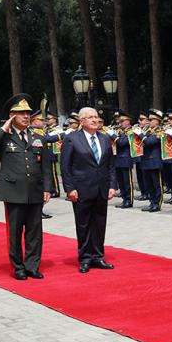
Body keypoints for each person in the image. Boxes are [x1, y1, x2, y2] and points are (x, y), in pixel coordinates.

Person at [0, 94, 51, 280]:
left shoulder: (38, 137)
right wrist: (4, 128)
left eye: (28, 113)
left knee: (35, 233)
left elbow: (45, 166)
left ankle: (32, 266)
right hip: (13, 192)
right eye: (21, 113)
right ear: (12, 116)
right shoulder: (4, 137)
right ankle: (18, 268)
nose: (26, 116)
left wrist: (47, 188)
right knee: (14, 233)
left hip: (35, 191)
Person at [60, 107, 117, 274]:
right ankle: (85, 258)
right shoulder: (72, 139)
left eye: (96, 117)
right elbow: (65, 166)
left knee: (99, 223)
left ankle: (98, 256)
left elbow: (111, 165)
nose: (94, 120)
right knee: (83, 224)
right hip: (81, 189)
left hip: (102, 188)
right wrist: (70, 188)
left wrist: (112, 185)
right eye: (90, 117)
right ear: (81, 121)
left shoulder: (105, 139)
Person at [110, 110, 135, 208]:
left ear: (128, 122)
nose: (120, 123)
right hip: (118, 159)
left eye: (122, 121)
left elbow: (122, 143)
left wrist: (113, 136)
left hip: (126, 159)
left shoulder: (130, 131)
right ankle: (124, 199)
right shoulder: (120, 131)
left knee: (127, 181)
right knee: (121, 182)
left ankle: (129, 200)